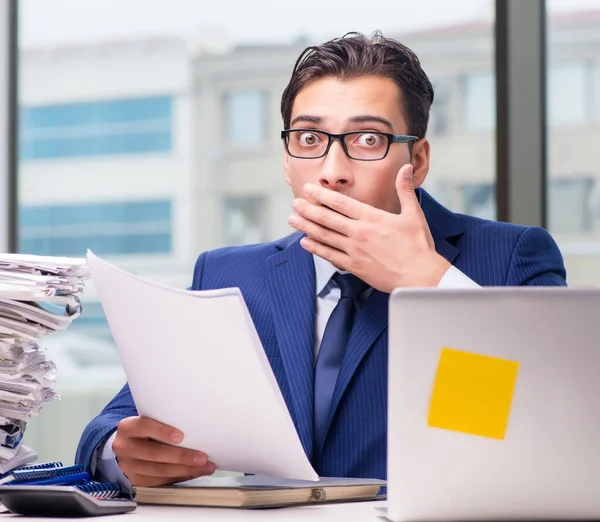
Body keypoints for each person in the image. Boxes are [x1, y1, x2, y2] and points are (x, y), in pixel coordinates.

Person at [75, 32, 567, 488]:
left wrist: (430, 282)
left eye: (367, 139)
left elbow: (569, 411)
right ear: (287, 161)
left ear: (416, 161)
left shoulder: (509, 258)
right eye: (310, 139)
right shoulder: (228, 275)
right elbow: (112, 426)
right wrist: (121, 454)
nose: (332, 173)